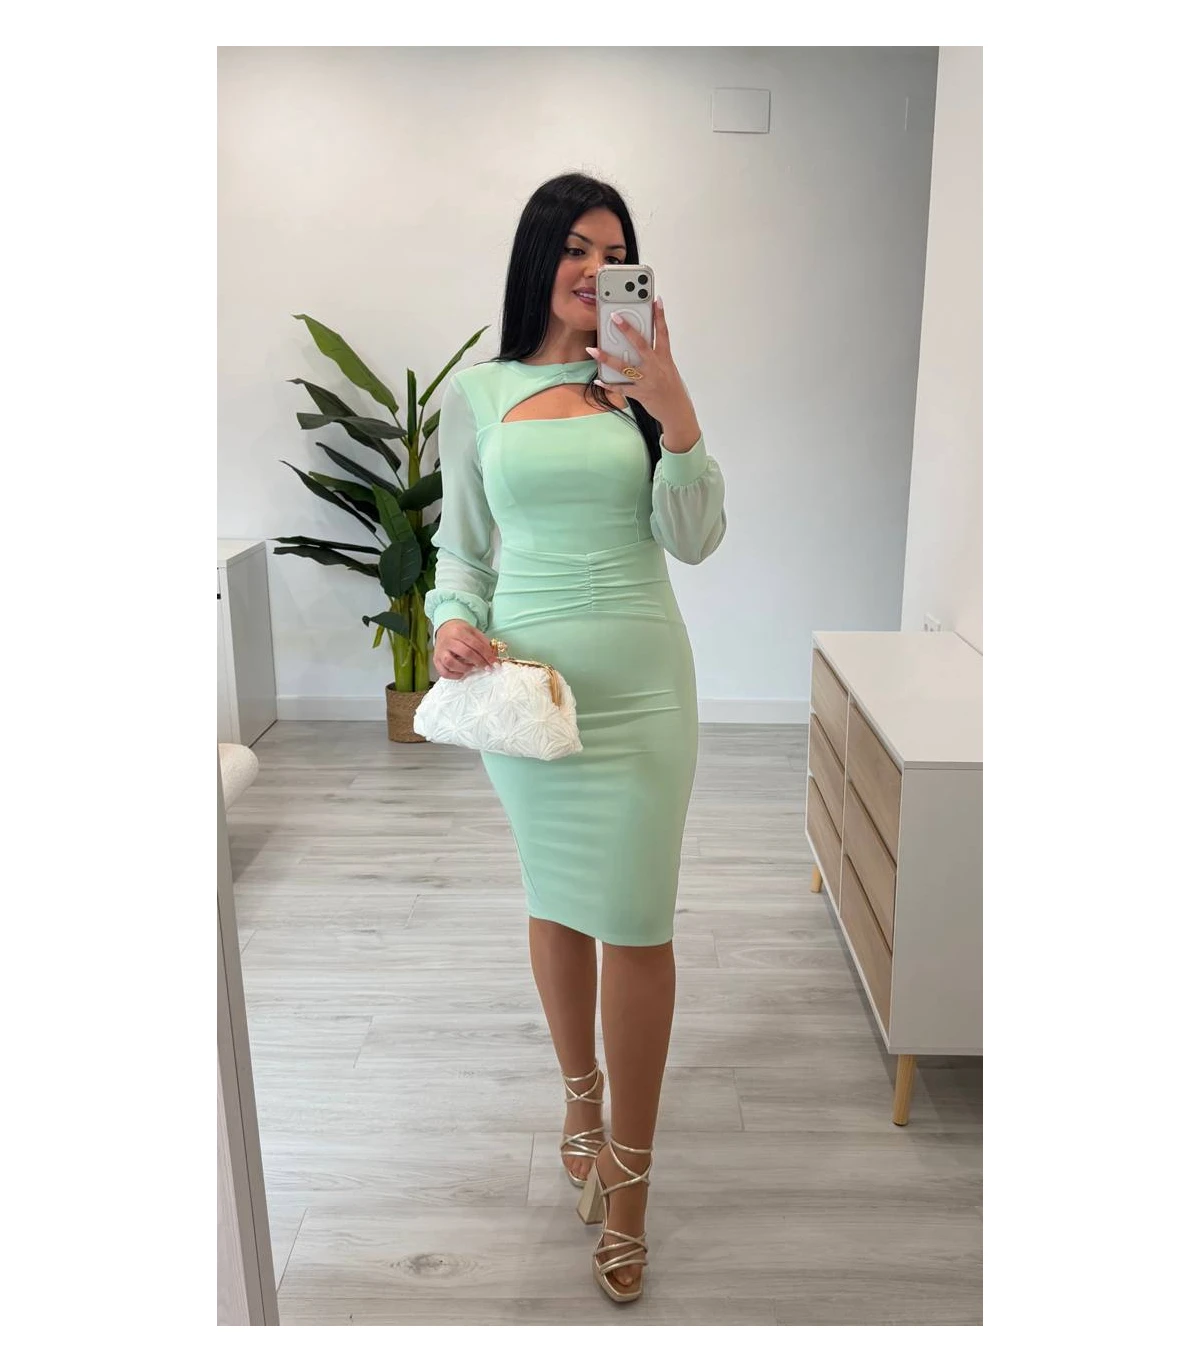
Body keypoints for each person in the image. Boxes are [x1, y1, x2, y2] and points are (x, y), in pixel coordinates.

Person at [424, 172, 726, 1304]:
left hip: (644, 688)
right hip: (529, 691)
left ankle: (631, 1187)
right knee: (554, 901)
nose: (597, 271)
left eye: (616, 253)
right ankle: (580, 1099)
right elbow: (465, 550)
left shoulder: (641, 389)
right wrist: (452, 622)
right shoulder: (480, 394)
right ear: (539, 256)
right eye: (576, 248)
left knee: (637, 926)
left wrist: (673, 403)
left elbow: (695, 536)